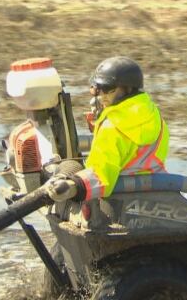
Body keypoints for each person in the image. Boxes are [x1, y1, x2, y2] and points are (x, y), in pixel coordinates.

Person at [46, 56, 169, 202]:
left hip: (119, 201)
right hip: (159, 193)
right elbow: (134, 152)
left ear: (128, 89)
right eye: (98, 89)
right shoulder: (154, 114)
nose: (101, 95)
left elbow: (101, 177)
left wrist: (72, 185)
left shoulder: (111, 129)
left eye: (107, 89)